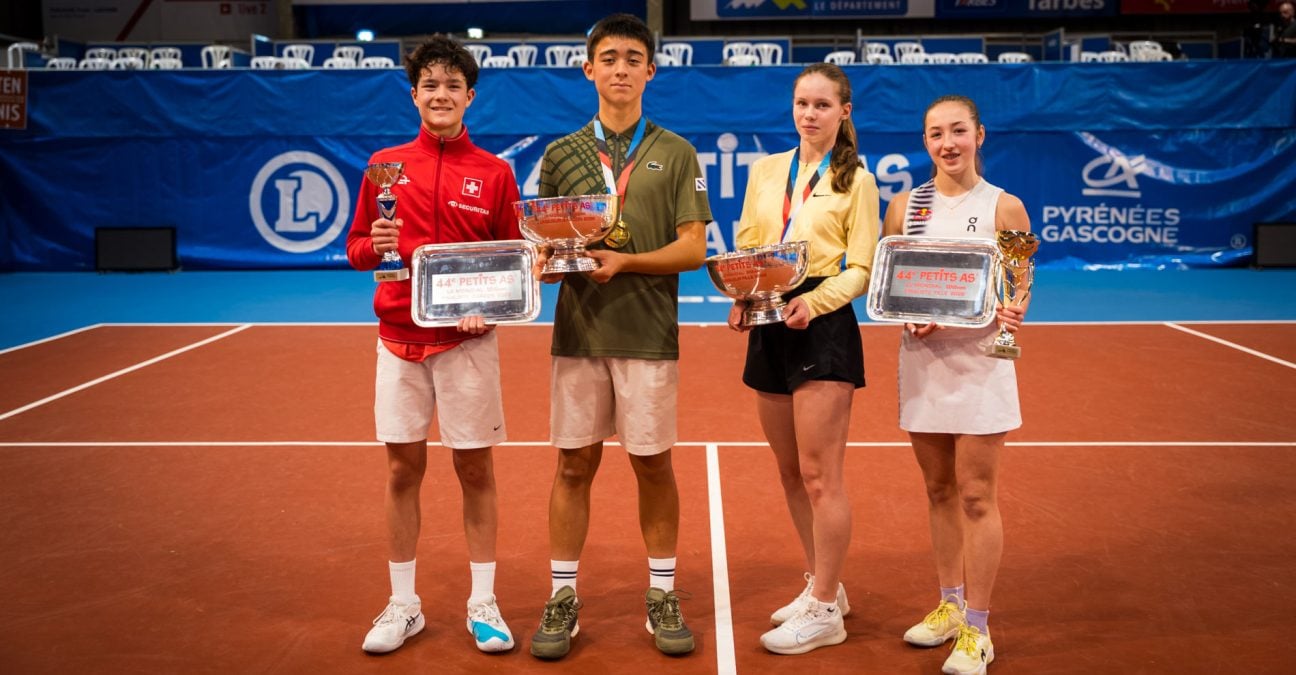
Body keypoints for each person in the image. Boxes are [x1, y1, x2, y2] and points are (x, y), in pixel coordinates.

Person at [526, 12, 712, 660]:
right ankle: (562, 593)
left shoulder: (677, 151)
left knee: (652, 463)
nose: (621, 68)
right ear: (589, 69)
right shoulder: (561, 154)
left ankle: (662, 591)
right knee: (573, 464)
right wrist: (545, 264)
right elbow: (544, 248)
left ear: (650, 70)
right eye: (609, 58)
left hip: (648, 333)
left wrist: (624, 261)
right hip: (579, 332)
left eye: (634, 58)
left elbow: (694, 247)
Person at [345, 34, 522, 655]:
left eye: (452, 85)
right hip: (398, 340)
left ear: (469, 96)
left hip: (467, 344)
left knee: (474, 468)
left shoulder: (495, 172)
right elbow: (356, 248)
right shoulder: (384, 167)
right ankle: (403, 604)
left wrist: (489, 307)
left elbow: (513, 261)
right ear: (414, 94)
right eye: (429, 85)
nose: (440, 95)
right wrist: (381, 245)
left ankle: (482, 601)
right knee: (402, 469)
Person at [726, 62, 879, 655]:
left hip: (822, 327)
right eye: (801, 103)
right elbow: (746, 243)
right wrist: (744, 295)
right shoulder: (766, 170)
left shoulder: (857, 182)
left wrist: (814, 303)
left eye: (822, 104)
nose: (809, 114)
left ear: (844, 112)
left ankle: (825, 612)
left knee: (821, 477)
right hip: (769, 319)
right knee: (790, 471)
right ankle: (823, 585)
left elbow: (862, 268)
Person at [880, 94, 1030, 675]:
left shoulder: (1004, 207)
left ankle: (979, 629)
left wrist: (1015, 308)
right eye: (936, 134)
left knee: (975, 495)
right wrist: (905, 315)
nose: (948, 143)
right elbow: (892, 288)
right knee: (939, 490)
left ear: (979, 135)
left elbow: (1020, 281)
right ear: (925, 142)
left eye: (958, 131)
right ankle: (949, 604)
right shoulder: (905, 207)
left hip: (982, 365)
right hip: (923, 363)